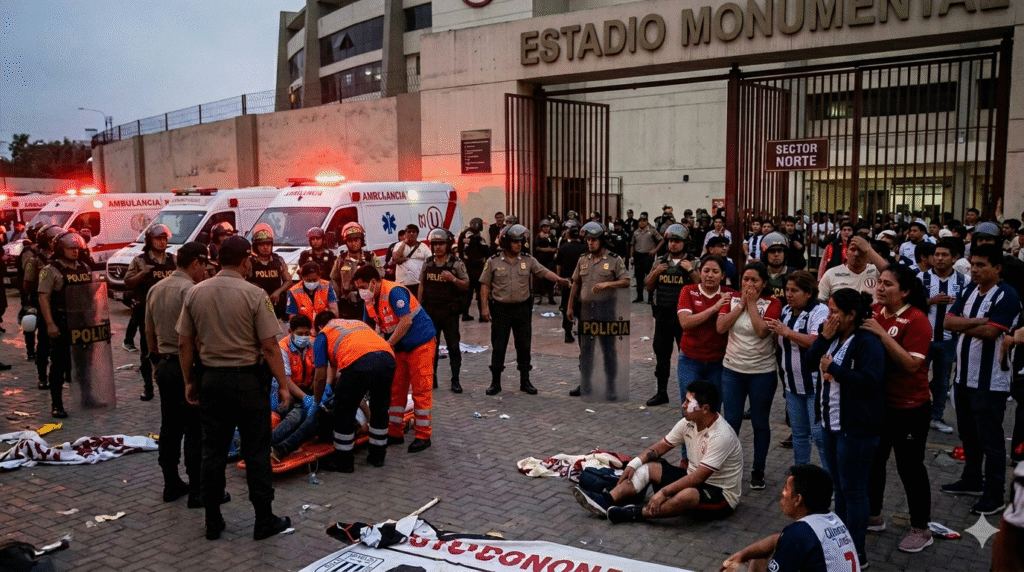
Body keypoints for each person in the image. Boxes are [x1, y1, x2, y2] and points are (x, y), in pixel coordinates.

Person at [178, 235, 292, 542]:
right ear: (245, 260)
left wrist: (189, 380)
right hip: (248, 383)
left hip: (211, 381)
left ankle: (212, 520)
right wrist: (283, 384)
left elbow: (184, 342)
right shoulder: (255, 295)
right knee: (256, 451)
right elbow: (269, 346)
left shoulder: (195, 293)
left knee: (212, 451)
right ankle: (263, 519)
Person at [571, 381, 742, 524]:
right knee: (649, 466)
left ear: (705, 409)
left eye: (689, 402)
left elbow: (699, 477)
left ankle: (635, 513)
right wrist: (634, 463)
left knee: (687, 495)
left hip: (721, 495)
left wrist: (664, 492)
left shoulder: (721, 435)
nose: (683, 405)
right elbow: (660, 447)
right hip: (693, 478)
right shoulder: (687, 422)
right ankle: (605, 501)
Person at [804, 288, 885, 566]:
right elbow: (808, 364)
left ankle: (857, 552)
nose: (830, 316)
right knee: (839, 487)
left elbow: (871, 381)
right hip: (831, 425)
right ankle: (842, 546)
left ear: (852, 315)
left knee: (854, 490)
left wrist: (836, 370)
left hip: (857, 429)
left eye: (836, 311)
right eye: (829, 310)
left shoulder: (867, 343)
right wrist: (824, 338)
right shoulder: (833, 337)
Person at [940, 244, 1022, 515]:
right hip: (963, 377)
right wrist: (981, 320)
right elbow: (948, 323)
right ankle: (972, 479)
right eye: (972, 264)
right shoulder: (968, 290)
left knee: (991, 439)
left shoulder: (1008, 296)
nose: (974, 269)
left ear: (997, 268)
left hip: (990, 382)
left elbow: (990, 333)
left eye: (981, 265)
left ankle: (995, 494)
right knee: (968, 434)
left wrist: (971, 323)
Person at [862, 264, 935, 553]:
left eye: (888, 284)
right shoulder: (876, 312)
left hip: (911, 408)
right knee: (875, 461)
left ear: (904, 291)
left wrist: (882, 334)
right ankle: (874, 515)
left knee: (910, 468)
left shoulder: (917, 320)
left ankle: (922, 527)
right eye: (879, 282)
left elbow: (910, 364)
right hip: (882, 405)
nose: (880, 287)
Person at [144, 242, 212, 507]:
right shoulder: (193, 291)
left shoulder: (155, 289)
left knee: (170, 427)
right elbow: (197, 337)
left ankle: (170, 483)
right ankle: (197, 490)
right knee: (195, 429)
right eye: (204, 264)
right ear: (195, 263)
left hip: (165, 364)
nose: (205, 270)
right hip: (190, 366)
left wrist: (156, 363)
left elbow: (148, 333)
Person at [352, 265, 437, 453]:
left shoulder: (394, 291)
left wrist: (387, 344)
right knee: (396, 389)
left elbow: (406, 321)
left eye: (363, 287)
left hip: (420, 343)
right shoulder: (370, 300)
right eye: (358, 288)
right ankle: (394, 432)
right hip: (399, 347)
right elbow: (367, 327)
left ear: (373, 282)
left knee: (421, 389)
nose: (361, 292)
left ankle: (423, 435)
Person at [479, 224, 569, 395]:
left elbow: (543, 272)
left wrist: (559, 280)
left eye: (520, 241)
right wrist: (484, 308)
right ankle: (495, 382)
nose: (519, 244)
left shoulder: (528, 260)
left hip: (522, 309)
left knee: (524, 345)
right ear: (506, 243)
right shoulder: (493, 261)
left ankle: (525, 380)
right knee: (499, 346)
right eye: (514, 242)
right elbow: (485, 285)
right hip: (501, 310)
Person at [717, 262, 783, 489]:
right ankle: (729, 465)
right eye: (745, 279)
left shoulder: (774, 303)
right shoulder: (732, 299)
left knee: (760, 423)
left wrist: (752, 304)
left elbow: (762, 330)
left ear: (764, 283)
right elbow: (721, 327)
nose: (748, 284)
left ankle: (758, 469)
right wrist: (740, 305)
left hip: (762, 373)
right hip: (732, 371)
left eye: (754, 280)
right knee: (731, 420)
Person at [721, 464, 859, 572]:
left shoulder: (797, 534)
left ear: (798, 499)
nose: (782, 493)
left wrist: (738, 568)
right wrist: (743, 554)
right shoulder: (832, 520)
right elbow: (777, 539)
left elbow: (789, 539)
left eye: (786, 489)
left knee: (737, 569)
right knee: (759, 558)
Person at [312, 312, 396, 471]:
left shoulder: (323, 336)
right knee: (380, 409)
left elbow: (320, 377)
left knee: (343, 411)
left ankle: (343, 462)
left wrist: (316, 402)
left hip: (359, 363)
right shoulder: (355, 323)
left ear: (319, 327)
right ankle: (378, 456)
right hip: (387, 359)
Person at [766, 271, 828, 467]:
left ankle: (832, 482)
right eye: (787, 290)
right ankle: (800, 476)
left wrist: (786, 332)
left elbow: (816, 342)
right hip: (792, 386)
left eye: (795, 290)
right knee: (799, 435)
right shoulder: (785, 311)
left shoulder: (820, 311)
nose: (789, 294)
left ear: (809, 293)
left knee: (819, 437)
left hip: (815, 387)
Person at [566, 222, 630, 399]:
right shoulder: (583, 259)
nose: (590, 243)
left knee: (609, 350)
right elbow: (576, 283)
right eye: (588, 240)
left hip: (607, 311)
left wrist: (608, 283)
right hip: (586, 311)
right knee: (586, 350)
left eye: (594, 240)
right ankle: (584, 384)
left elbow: (626, 281)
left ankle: (610, 387)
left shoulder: (614, 260)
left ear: (602, 240)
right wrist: (570, 307)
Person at [37, 230, 94, 419]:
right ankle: (57, 404)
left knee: (84, 362)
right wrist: (50, 324)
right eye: (71, 248)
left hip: (82, 322)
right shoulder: (50, 270)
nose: (75, 251)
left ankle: (88, 398)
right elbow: (43, 297)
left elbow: (92, 294)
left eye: (77, 248)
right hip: (61, 321)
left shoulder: (84, 267)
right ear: (60, 249)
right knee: (59, 365)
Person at [644, 224, 699, 406]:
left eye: (677, 241)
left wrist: (690, 271)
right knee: (662, 356)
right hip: (663, 315)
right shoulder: (660, 261)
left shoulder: (694, 262)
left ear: (685, 243)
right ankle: (661, 392)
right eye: (671, 241)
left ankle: (690, 396)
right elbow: (649, 287)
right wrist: (655, 273)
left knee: (688, 358)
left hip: (685, 319)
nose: (673, 244)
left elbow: (700, 287)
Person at [919, 239, 968, 434]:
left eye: (944, 255)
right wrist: (930, 301)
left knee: (942, 380)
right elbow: (909, 304)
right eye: (936, 254)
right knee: (918, 378)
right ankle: (917, 415)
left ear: (954, 258)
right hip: (923, 339)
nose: (939, 258)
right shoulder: (921, 278)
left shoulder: (964, 281)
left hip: (949, 340)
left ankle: (936, 416)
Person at [124, 224, 177, 401]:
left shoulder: (173, 259)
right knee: (147, 351)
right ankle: (148, 387)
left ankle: (168, 383)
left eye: (164, 239)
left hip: (170, 311)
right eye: (158, 239)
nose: (162, 242)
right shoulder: (140, 260)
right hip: (147, 312)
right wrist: (142, 273)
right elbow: (128, 282)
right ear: (149, 240)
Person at [417, 228, 469, 393]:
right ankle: (432, 379)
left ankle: (455, 380)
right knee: (431, 347)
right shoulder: (428, 263)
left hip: (449, 312)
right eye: (435, 244)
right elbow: (422, 284)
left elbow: (466, 285)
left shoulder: (456, 263)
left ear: (447, 245)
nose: (438, 247)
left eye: (441, 244)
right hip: (431, 310)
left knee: (453, 347)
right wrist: (418, 306)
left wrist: (453, 279)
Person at [269, 314, 326, 462]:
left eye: (307, 333)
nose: (304, 337)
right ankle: (271, 442)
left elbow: (322, 367)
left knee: (304, 413)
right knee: (300, 411)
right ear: (290, 332)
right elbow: (285, 379)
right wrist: (306, 398)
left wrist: (318, 384)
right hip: (285, 390)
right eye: (300, 334)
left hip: (307, 390)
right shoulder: (282, 348)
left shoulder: (314, 344)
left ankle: (270, 443)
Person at [677, 255, 734, 400]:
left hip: (718, 362)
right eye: (706, 270)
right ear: (699, 272)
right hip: (690, 360)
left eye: (715, 271)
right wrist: (714, 308)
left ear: (722, 275)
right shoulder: (688, 291)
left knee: (713, 407)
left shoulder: (730, 295)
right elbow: (686, 323)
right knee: (691, 406)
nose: (710, 275)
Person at [330, 222, 382, 320]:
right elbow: (334, 278)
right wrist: (339, 297)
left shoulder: (370, 257)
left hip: (369, 301)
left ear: (361, 240)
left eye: (356, 240)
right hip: (347, 304)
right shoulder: (341, 259)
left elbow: (380, 277)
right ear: (346, 242)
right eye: (350, 240)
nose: (353, 243)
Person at [246, 223, 292, 321]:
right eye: (262, 245)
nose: (266, 247)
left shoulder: (278, 260)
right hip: (256, 304)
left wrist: (278, 292)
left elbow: (289, 281)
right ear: (255, 246)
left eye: (268, 244)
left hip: (276, 303)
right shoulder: (250, 262)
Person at [817, 237, 879, 302]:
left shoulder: (877, 270)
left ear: (868, 253)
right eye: (852, 249)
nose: (856, 254)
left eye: (861, 250)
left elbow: (889, 270)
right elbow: (820, 301)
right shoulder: (831, 274)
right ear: (846, 252)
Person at [555, 220, 588, 344]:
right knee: (580, 306)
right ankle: (581, 329)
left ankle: (568, 333)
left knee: (566, 306)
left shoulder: (563, 248)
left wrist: (559, 280)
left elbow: (558, 266)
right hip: (582, 281)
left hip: (567, 282)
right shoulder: (585, 249)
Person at [457, 217, 489, 321]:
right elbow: (485, 250)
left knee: (470, 292)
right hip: (474, 266)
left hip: (470, 266)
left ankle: (467, 314)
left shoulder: (467, 235)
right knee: (476, 291)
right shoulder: (471, 236)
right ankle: (478, 315)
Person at [631, 214, 661, 303]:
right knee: (639, 277)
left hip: (648, 256)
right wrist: (631, 256)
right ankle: (639, 296)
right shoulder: (636, 232)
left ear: (647, 221)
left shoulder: (652, 231)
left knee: (650, 276)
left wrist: (655, 250)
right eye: (640, 221)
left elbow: (661, 240)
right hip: (638, 256)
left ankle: (650, 298)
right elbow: (632, 244)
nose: (641, 222)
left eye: (643, 221)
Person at [393, 224, 430, 290]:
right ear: (405, 234)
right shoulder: (398, 245)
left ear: (417, 234)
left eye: (413, 232)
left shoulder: (423, 246)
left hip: (418, 284)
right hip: (401, 284)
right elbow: (395, 257)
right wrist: (404, 243)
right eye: (409, 232)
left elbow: (430, 260)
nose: (411, 234)